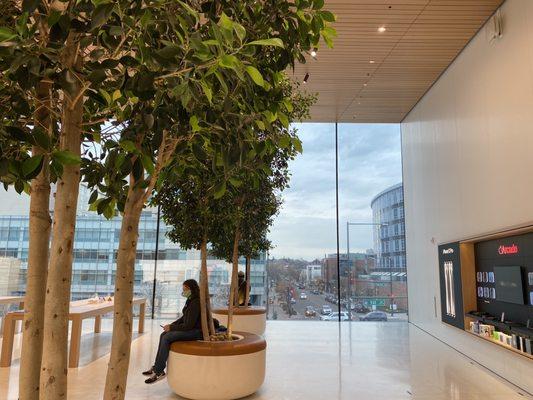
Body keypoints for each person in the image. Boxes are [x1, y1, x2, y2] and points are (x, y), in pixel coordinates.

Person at [143, 279, 203, 384]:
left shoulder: (196, 302)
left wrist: (171, 328)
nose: (183, 291)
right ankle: (157, 367)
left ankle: (158, 371)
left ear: (192, 289)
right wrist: (171, 325)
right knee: (163, 334)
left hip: (196, 332)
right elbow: (184, 318)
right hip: (191, 329)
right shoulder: (190, 300)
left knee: (167, 337)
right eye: (183, 288)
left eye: (185, 289)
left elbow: (188, 325)